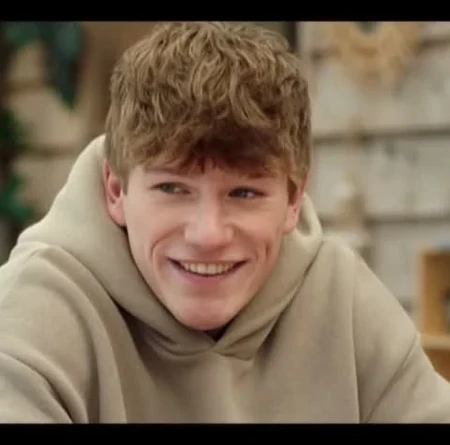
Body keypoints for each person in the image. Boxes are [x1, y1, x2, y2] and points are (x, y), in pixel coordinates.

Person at [0, 21, 449, 424]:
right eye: (172, 189)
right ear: (116, 190)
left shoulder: (343, 301)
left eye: (245, 194)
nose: (209, 234)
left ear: (294, 199)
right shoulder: (31, 312)